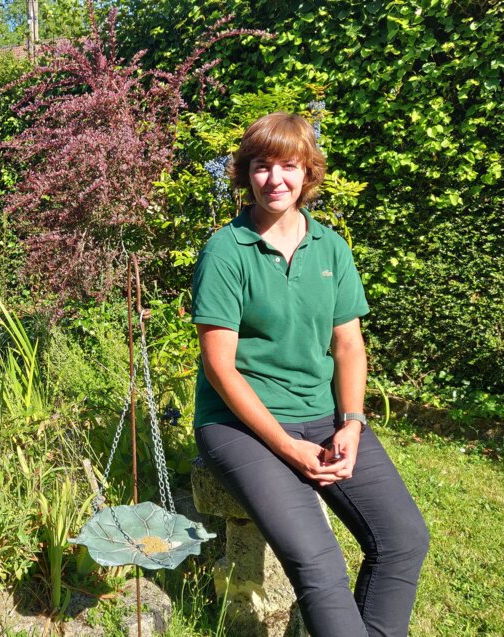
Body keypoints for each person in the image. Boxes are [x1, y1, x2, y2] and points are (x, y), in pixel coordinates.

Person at [191, 112, 428, 637]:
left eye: (288, 166)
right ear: (244, 174)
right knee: (319, 563)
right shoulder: (225, 252)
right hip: (239, 424)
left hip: (322, 414)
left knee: (403, 538)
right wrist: (285, 446)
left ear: (308, 174)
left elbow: (348, 345)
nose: (274, 179)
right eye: (260, 166)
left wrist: (351, 422)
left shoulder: (332, 248)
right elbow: (220, 367)